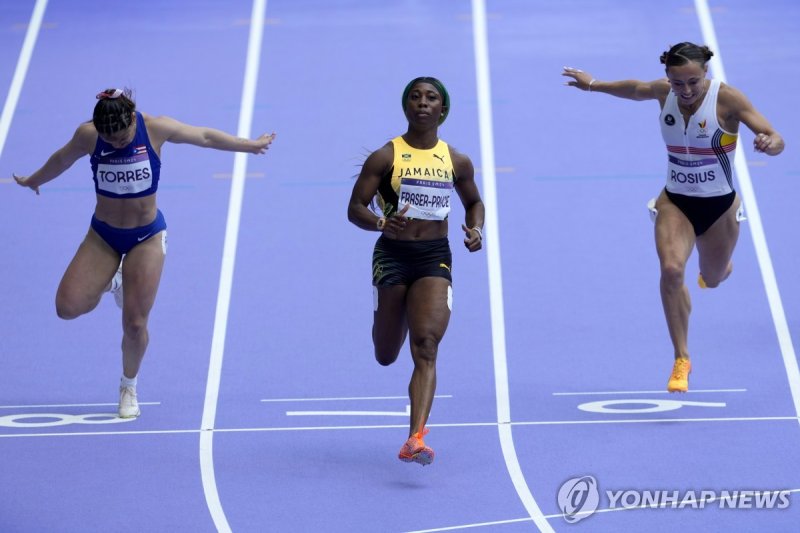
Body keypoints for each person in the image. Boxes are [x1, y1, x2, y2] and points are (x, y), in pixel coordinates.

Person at [13, 88, 276, 417]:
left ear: (132, 119)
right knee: (67, 307)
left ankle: (128, 385)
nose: (117, 143)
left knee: (135, 324)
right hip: (103, 236)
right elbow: (62, 159)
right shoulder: (88, 136)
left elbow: (205, 137)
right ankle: (113, 280)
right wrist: (34, 180)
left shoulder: (155, 128)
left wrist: (249, 145)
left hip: (146, 238)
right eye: (110, 138)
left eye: (122, 137)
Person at [562, 42, 784, 392]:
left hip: (719, 207)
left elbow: (774, 136)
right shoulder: (664, 92)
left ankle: (718, 271)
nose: (685, 90)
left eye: (693, 82)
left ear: (705, 74)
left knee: (711, 278)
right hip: (676, 202)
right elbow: (635, 89)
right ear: (668, 77)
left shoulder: (728, 100)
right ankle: (681, 357)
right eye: (677, 83)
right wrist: (594, 84)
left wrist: (770, 142)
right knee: (671, 270)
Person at [347, 77, 485, 465]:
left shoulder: (456, 161)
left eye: (432, 98)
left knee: (426, 346)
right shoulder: (385, 157)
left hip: (433, 258)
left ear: (444, 109)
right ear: (406, 106)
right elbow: (355, 207)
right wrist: (378, 222)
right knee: (387, 353)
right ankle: (393, 315)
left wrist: (476, 230)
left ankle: (415, 438)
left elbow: (475, 202)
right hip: (392, 256)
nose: (423, 103)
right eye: (415, 97)